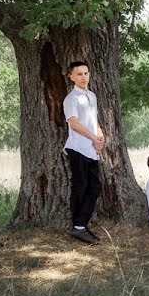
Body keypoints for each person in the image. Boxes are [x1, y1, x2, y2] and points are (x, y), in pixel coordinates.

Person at [62, 61, 104, 245]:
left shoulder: (91, 96)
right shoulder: (71, 99)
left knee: (94, 187)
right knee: (81, 186)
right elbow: (74, 124)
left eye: (86, 73)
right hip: (78, 148)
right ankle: (78, 227)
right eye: (79, 74)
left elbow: (94, 121)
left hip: (92, 150)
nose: (83, 77)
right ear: (71, 76)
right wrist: (93, 138)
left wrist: (100, 138)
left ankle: (81, 224)